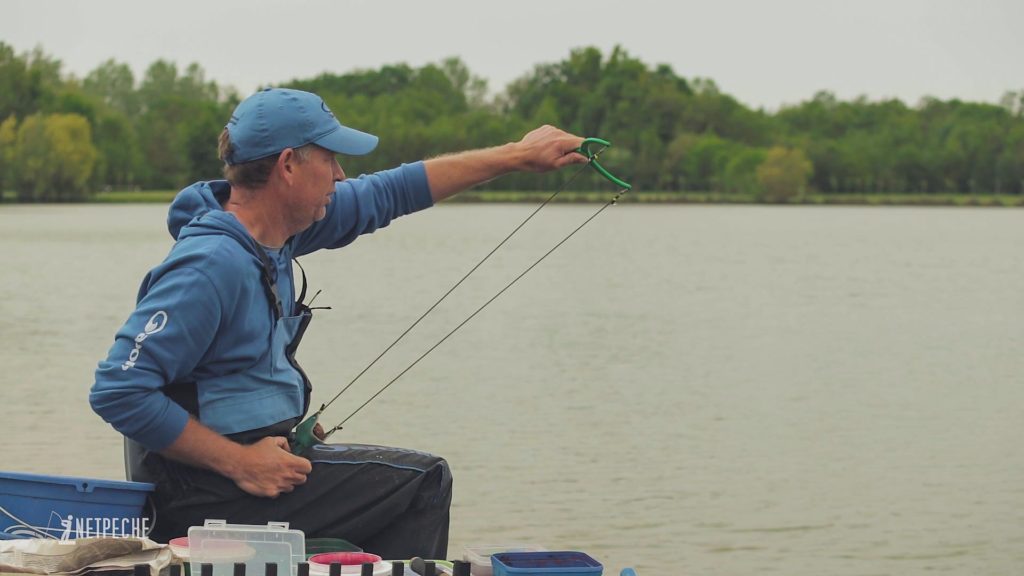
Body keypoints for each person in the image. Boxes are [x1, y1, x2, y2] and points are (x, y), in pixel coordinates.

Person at [89, 87, 587, 559]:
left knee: (387, 484)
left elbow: (390, 192)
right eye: (329, 160)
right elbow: (119, 390)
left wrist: (518, 156)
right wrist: (240, 462)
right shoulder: (210, 264)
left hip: (241, 466)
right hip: (201, 492)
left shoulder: (276, 233)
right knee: (421, 483)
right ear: (288, 166)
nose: (341, 177)